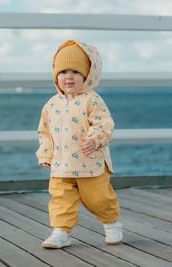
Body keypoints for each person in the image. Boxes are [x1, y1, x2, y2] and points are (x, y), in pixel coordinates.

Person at [36, 40, 122, 249]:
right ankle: (60, 232)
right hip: (61, 166)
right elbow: (45, 132)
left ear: (87, 75)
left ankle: (111, 223)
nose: (69, 76)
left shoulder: (91, 100)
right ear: (56, 75)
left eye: (75, 71)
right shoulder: (52, 104)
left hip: (90, 164)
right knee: (60, 199)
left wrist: (94, 139)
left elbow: (104, 123)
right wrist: (45, 154)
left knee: (98, 199)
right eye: (63, 71)